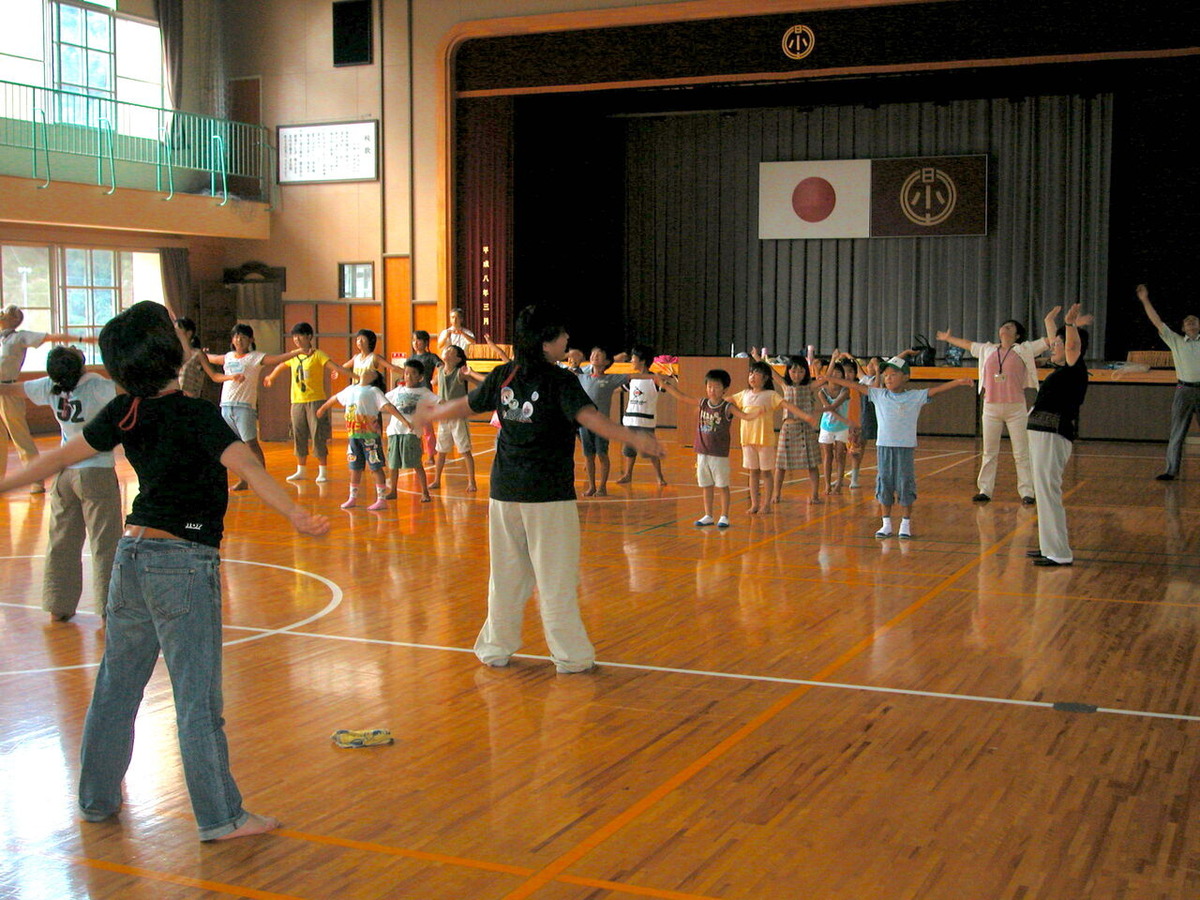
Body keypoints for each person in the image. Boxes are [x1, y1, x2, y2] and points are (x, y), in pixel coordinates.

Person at [0, 300, 329, 841]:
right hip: (183, 562)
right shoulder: (196, 414)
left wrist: (6, 483)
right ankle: (221, 817)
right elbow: (247, 466)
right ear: (169, 354)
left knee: (116, 688)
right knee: (197, 700)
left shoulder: (124, 409)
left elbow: (55, 459)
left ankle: (96, 800)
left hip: (130, 559)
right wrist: (295, 513)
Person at [422, 304, 664, 673]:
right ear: (545, 342)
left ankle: (495, 649)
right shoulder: (559, 380)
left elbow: (466, 405)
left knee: (506, 577)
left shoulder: (505, 374)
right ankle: (571, 657)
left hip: (505, 493)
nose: (567, 339)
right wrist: (636, 438)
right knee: (556, 579)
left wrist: (430, 415)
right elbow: (591, 418)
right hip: (548, 495)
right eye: (561, 334)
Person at [0, 347, 120, 622]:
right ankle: (108, 607)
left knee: (61, 541)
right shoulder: (98, 387)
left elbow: (11, 389)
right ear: (80, 365)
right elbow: (134, 390)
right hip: (97, 471)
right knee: (105, 543)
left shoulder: (49, 387)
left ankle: (59, 604)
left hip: (64, 474)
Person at [823, 358, 973, 539]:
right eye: (886, 375)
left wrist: (959, 381)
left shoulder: (914, 396)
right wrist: (831, 378)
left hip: (905, 448)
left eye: (893, 375)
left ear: (906, 377)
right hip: (884, 448)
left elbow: (937, 390)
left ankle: (905, 523)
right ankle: (886, 523)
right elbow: (854, 385)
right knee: (884, 482)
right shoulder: (879, 395)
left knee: (905, 483)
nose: (888, 378)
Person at [937, 314, 1049, 504]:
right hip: (991, 407)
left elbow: (1048, 341)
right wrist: (949, 338)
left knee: (1021, 453)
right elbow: (968, 345)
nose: (1005, 328)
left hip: (1016, 408)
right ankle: (985, 490)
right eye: (1004, 326)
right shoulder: (988, 349)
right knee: (989, 452)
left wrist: (1063, 324)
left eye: (1010, 327)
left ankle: (1027, 492)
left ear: (1018, 335)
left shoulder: (1024, 349)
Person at [0, 304, 98, 489]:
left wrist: (82, 339)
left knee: (20, 436)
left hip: (9, 390)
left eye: (5, 313)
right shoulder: (1, 339)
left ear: (13, 319)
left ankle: (36, 480)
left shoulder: (19, 337)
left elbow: (51, 337)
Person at [1027, 304, 1092, 566]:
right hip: (1042, 435)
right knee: (1042, 492)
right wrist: (1049, 321)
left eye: (1058, 344)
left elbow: (1072, 346)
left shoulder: (1075, 369)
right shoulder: (1063, 369)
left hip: (1053, 435)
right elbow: (1062, 343)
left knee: (1048, 492)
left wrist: (1070, 324)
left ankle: (1059, 552)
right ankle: (1048, 546)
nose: (1052, 347)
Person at [205, 324, 300, 491]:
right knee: (235, 446)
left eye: (243, 337)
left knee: (251, 444)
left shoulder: (255, 357)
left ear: (251, 340)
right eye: (236, 336)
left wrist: (296, 352)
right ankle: (243, 480)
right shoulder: (228, 357)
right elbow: (212, 358)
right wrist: (201, 353)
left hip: (244, 407)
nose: (239, 340)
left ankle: (263, 480)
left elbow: (276, 359)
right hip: (226, 406)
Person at [263, 322, 351, 484]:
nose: (296, 339)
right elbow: (281, 365)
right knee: (298, 434)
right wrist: (271, 377)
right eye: (294, 336)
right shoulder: (293, 355)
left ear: (309, 336)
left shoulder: (318, 355)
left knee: (318, 435)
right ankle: (301, 470)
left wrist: (352, 375)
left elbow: (334, 366)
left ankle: (322, 470)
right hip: (297, 401)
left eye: (300, 335)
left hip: (315, 400)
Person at [1135, 284, 1200, 481]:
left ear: (1199, 326)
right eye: (1187, 322)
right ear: (1183, 328)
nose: (1191, 324)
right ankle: (1171, 470)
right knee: (1177, 432)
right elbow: (1157, 321)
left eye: (1194, 321)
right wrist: (1145, 300)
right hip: (1183, 389)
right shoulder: (1176, 341)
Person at [318, 368, 405, 511]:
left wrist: (403, 420)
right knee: (355, 468)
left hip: (370, 437)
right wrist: (323, 408)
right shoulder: (350, 389)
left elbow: (388, 406)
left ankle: (381, 499)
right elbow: (335, 398)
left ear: (374, 378)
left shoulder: (374, 391)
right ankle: (352, 498)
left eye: (372, 371)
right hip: (353, 436)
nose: (367, 370)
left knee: (375, 468)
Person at [729, 360, 789, 514]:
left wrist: (804, 416)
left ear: (765, 378)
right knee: (753, 472)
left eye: (756, 373)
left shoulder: (771, 395)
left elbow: (786, 405)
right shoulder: (744, 394)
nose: (752, 376)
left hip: (764, 440)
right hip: (747, 440)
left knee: (766, 473)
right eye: (751, 373)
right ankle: (755, 504)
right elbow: (727, 401)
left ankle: (766, 504)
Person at [430, 344, 485, 492]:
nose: (446, 351)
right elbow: (435, 383)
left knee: (465, 450)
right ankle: (436, 480)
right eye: (446, 349)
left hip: (458, 417)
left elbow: (479, 383)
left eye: (451, 351)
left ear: (458, 359)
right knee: (441, 450)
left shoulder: (459, 373)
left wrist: (471, 374)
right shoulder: (440, 371)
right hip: (444, 416)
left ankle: (472, 481)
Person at [576, 346, 629, 496]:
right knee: (588, 456)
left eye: (599, 355)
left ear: (606, 362)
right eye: (593, 354)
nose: (594, 356)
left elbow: (631, 376)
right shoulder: (582, 376)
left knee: (602, 454)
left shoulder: (610, 379)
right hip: (585, 424)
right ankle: (591, 486)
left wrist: (654, 377)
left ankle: (602, 487)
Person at [772, 355, 824, 505]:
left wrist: (831, 361)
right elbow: (772, 372)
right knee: (780, 465)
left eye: (801, 371)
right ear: (788, 371)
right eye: (793, 371)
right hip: (788, 428)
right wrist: (757, 357)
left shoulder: (809, 386)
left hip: (805, 428)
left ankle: (814, 495)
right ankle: (776, 494)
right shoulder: (785, 386)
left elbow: (825, 379)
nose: (797, 375)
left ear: (806, 372)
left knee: (812, 464)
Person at [384, 359, 436, 502]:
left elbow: (439, 401)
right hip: (395, 431)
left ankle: (425, 492)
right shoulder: (397, 391)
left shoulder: (424, 392)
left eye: (413, 373)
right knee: (393, 464)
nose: (409, 376)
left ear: (420, 377)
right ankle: (393, 490)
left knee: (416, 464)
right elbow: (383, 401)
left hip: (411, 433)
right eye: (406, 373)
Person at [616, 344, 668, 486]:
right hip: (630, 420)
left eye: (633, 358)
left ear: (642, 361)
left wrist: (664, 380)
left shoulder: (654, 379)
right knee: (629, 450)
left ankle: (659, 476)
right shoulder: (632, 378)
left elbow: (666, 387)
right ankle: (628, 475)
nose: (631, 361)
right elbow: (620, 389)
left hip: (646, 422)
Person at [817, 360, 852, 495]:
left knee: (840, 455)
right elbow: (829, 408)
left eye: (839, 373)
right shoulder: (822, 392)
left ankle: (838, 484)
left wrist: (844, 421)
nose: (835, 375)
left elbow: (834, 406)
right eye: (833, 373)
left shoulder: (845, 390)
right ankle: (827, 484)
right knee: (827, 456)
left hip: (841, 427)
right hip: (826, 426)